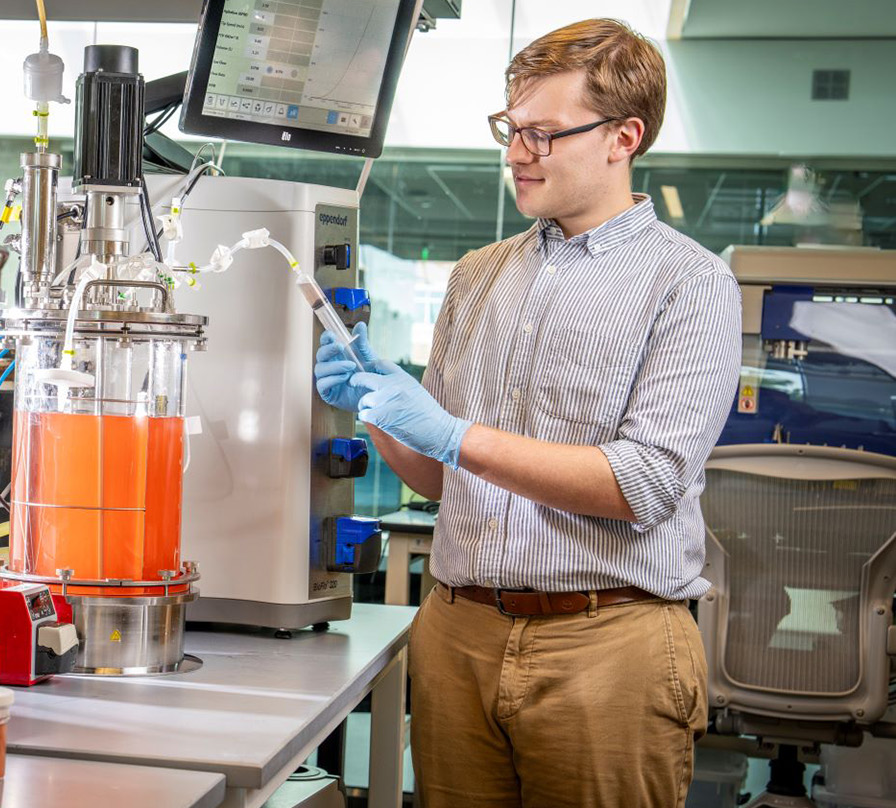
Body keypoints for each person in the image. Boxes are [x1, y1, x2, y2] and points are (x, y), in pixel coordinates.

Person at [314, 18, 742, 808]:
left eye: (545, 135)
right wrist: (379, 407)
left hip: (607, 644)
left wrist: (451, 431)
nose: (516, 153)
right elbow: (446, 481)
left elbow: (642, 483)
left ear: (623, 136)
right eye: (512, 129)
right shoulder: (478, 275)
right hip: (458, 634)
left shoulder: (690, 285)